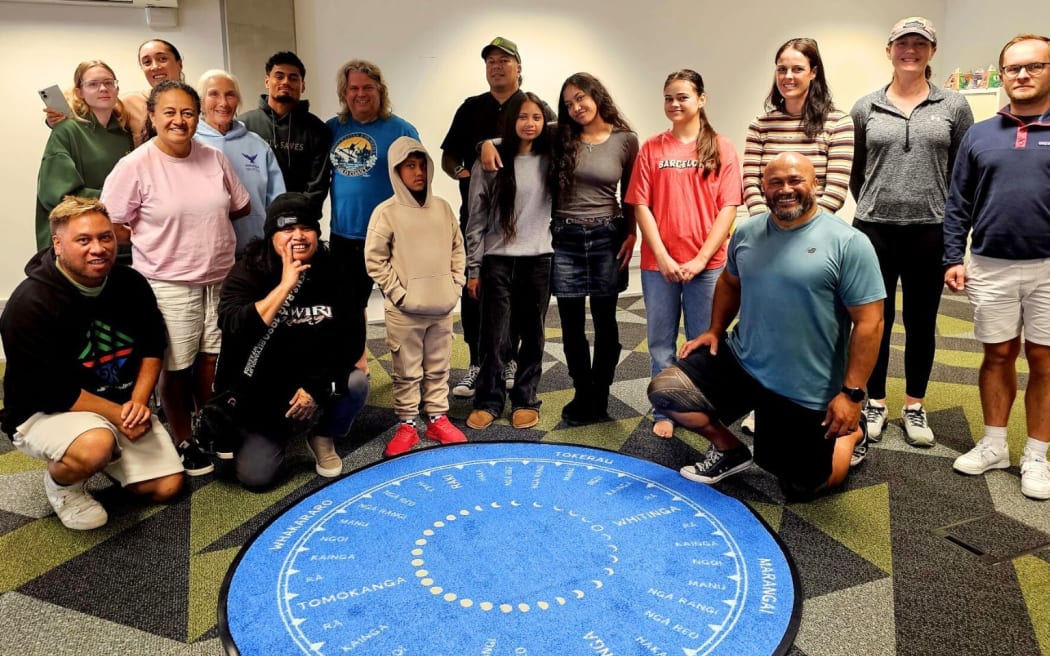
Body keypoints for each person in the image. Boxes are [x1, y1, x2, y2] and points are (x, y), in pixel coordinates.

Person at [647, 153, 885, 500]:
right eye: (775, 182)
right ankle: (729, 450)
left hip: (805, 383)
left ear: (814, 184)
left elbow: (870, 323)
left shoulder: (848, 243)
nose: (785, 189)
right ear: (763, 189)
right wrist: (715, 329)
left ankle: (851, 434)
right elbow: (730, 283)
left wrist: (852, 395)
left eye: (795, 180)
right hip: (745, 361)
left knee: (803, 486)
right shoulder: (747, 232)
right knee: (667, 391)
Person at [0, 197, 185, 529]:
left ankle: (106, 450)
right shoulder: (28, 306)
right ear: (57, 244)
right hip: (44, 411)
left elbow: (152, 346)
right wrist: (120, 417)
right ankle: (63, 484)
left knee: (166, 487)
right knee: (95, 445)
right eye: (83, 240)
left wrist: (138, 404)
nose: (98, 248)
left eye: (105, 237)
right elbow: (52, 391)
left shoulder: (130, 283)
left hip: (119, 402)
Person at [101, 80, 251, 476]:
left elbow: (239, 204)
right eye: (169, 112)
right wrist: (158, 237)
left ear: (197, 117)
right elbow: (112, 223)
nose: (179, 120)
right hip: (168, 282)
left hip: (219, 278)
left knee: (211, 361)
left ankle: (210, 428)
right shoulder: (135, 165)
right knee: (175, 366)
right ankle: (184, 438)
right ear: (151, 116)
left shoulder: (214, 157)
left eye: (187, 112)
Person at [850, 17, 974, 447]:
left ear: (931, 52)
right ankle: (876, 402)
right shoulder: (865, 107)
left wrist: (956, 236)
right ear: (889, 50)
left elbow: (963, 175)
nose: (910, 50)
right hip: (873, 231)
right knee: (873, 322)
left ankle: (915, 406)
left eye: (920, 44)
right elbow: (856, 172)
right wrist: (878, 201)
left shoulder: (954, 106)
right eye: (902, 43)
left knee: (921, 323)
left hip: (929, 230)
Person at [944, 34, 1050, 500]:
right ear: (1002, 74)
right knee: (998, 355)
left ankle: (1037, 455)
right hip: (990, 264)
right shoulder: (980, 134)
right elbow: (957, 201)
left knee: (1046, 362)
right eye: (1013, 69)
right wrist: (952, 256)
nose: (1022, 76)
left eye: (1034, 67)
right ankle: (993, 445)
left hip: (1049, 267)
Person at [739, 38, 854, 436]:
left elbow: (835, 189)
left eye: (797, 69)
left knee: (814, 327)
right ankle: (765, 401)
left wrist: (796, 231)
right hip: (766, 236)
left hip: (816, 240)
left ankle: (837, 404)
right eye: (781, 69)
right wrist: (768, 230)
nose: (788, 77)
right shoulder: (761, 124)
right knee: (766, 324)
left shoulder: (838, 122)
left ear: (814, 73)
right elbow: (752, 183)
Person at [217, 193, 369, 488]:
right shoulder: (249, 269)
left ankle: (322, 434)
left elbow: (351, 340)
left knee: (356, 382)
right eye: (287, 229)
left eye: (306, 228)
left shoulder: (335, 269)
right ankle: (279, 431)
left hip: (315, 381)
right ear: (272, 235)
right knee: (256, 477)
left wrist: (315, 388)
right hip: (263, 389)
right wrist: (285, 287)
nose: (298, 236)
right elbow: (233, 327)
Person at [625, 69, 742, 439]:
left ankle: (699, 407)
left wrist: (699, 260)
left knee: (703, 338)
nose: (674, 104)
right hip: (657, 265)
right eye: (668, 98)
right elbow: (640, 205)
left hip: (707, 266)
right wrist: (661, 257)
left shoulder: (721, 147)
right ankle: (666, 407)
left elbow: (728, 208)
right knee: (660, 340)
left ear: (701, 99)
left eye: (683, 97)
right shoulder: (652, 148)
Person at [441, 37, 545, 399]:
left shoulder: (534, 107)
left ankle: (510, 359)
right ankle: (476, 362)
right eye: (491, 62)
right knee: (477, 291)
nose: (497, 66)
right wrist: (464, 173)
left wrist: (491, 143)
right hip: (479, 215)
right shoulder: (471, 108)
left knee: (517, 299)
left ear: (519, 67)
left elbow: (555, 146)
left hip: (524, 227)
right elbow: (448, 157)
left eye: (504, 60)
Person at [365, 137, 468, 456]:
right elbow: (374, 259)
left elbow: (457, 249)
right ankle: (407, 424)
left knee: (438, 367)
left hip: (441, 306)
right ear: (397, 171)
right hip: (404, 311)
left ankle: (437, 418)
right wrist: (399, 293)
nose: (418, 171)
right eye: (410, 166)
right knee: (407, 371)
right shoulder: (387, 212)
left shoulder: (443, 208)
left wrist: (455, 285)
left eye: (422, 164)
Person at [464, 92, 555, 431]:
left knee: (534, 335)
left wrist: (485, 140)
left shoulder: (551, 156)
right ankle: (488, 399)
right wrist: (473, 268)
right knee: (494, 337)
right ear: (511, 120)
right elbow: (475, 219)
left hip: (538, 259)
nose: (529, 124)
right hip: (497, 261)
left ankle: (526, 399)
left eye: (536, 117)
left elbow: (568, 128)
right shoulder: (490, 161)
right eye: (522, 117)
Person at [552, 72, 639, 425]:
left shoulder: (626, 140)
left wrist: (632, 234)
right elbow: (514, 135)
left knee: (605, 319)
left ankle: (599, 392)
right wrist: (485, 145)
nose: (575, 108)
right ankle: (581, 390)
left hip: (607, 236)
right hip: (565, 236)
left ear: (596, 96)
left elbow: (631, 195)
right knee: (570, 323)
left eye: (580, 99)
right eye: (569, 103)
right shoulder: (559, 135)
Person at [327, 59, 420, 315]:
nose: (360, 94)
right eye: (353, 88)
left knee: (404, 305)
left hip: (391, 234)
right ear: (344, 94)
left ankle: (408, 355)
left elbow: (419, 185)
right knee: (348, 310)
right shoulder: (332, 129)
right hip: (345, 237)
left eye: (367, 87)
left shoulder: (402, 130)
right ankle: (357, 357)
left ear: (380, 90)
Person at [36, 60, 133, 252]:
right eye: (93, 84)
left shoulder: (124, 135)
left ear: (117, 88)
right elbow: (58, 196)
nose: (103, 88)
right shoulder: (67, 130)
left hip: (117, 246)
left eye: (109, 82)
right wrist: (120, 200)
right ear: (79, 92)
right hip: (74, 247)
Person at [195, 69, 286, 256]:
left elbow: (277, 202)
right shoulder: (189, 143)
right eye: (213, 94)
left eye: (230, 95)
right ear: (201, 101)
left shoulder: (257, 145)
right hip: (206, 254)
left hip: (254, 251)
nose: (223, 103)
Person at [240, 51, 331, 210]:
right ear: (267, 81)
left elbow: (317, 188)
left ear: (303, 85)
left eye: (293, 78)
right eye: (279, 76)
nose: (286, 82)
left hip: (300, 223)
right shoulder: (243, 125)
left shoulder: (318, 130)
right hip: (253, 222)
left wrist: (293, 220)